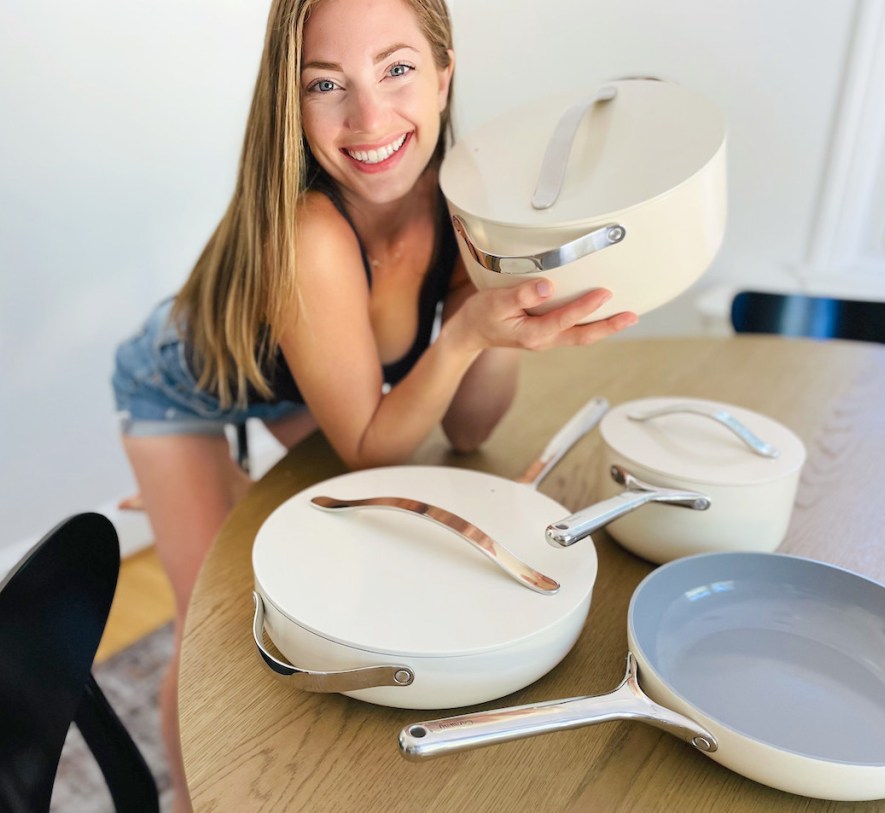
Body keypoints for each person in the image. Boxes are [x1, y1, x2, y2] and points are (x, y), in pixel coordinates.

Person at [111, 0, 636, 809]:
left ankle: (214, 490)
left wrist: (498, 308)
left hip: (293, 379)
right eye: (327, 84)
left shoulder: (463, 210)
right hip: (182, 383)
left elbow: (467, 428)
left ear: (444, 72)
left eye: (396, 69)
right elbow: (369, 445)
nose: (369, 116)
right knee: (211, 621)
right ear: (291, 101)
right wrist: (460, 336)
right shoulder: (311, 232)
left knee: (348, 545)